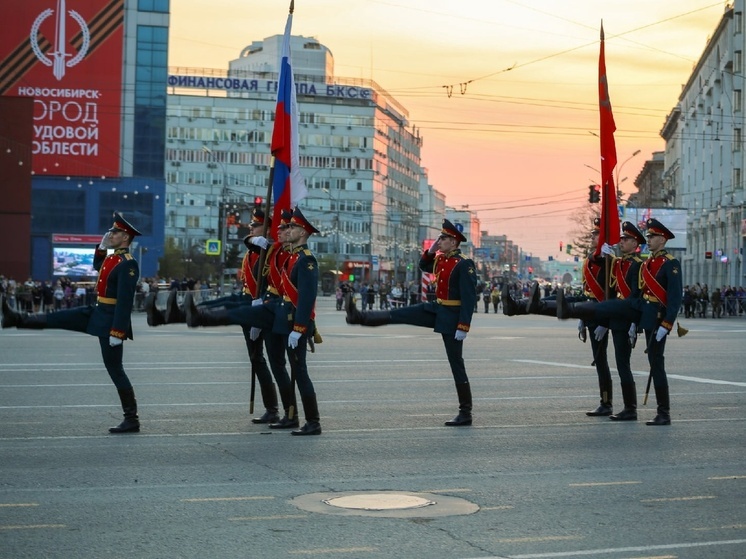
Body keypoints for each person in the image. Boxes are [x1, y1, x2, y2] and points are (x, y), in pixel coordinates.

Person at [184, 207, 322, 436]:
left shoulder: (306, 260)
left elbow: (306, 299)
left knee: (300, 372)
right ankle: (291, 415)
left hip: (295, 322)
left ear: (304, 233)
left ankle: (314, 421)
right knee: (279, 365)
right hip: (282, 317)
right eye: (287, 226)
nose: (287, 230)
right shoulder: (293, 256)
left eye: (293, 227)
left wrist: (299, 328)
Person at [2, 213, 143, 433]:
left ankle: (131, 419)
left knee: (115, 369)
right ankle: (17, 318)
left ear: (125, 237)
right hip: (98, 310)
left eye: (114, 232)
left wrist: (118, 331)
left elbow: (125, 301)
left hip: (111, 320)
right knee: (60, 317)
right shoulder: (113, 258)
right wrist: (102, 246)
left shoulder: (129, 264)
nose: (110, 234)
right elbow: (99, 265)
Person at [345, 219, 477, 426]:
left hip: (452, 317)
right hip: (437, 308)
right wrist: (431, 250)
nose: (439, 241)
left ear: (454, 241)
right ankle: (358, 317)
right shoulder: (442, 259)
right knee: (400, 313)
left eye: (443, 238)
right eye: (440, 238)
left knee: (456, 363)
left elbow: (469, 298)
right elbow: (424, 266)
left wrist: (463, 325)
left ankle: (465, 412)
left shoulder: (464, 264)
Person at [556, 217, 683, 426]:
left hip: (658, 319)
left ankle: (662, 412)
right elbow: (633, 294)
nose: (648, 240)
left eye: (652, 237)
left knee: (655, 365)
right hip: (644, 317)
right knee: (644, 362)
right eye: (648, 236)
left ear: (662, 239)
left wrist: (667, 324)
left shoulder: (669, 263)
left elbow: (674, 297)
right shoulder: (648, 263)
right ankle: (632, 408)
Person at [598, 221, 645, 421]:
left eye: (626, 239)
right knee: (619, 363)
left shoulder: (637, 265)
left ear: (636, 243)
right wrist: (606, 321)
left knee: (623, 365)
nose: (622, 241)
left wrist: (635, 322)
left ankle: (630, 408)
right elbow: (612, 293)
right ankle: (627, 407)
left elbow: (637, 296)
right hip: (617, 320)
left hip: (627, 321)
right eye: (622, 238)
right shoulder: (618, 263)